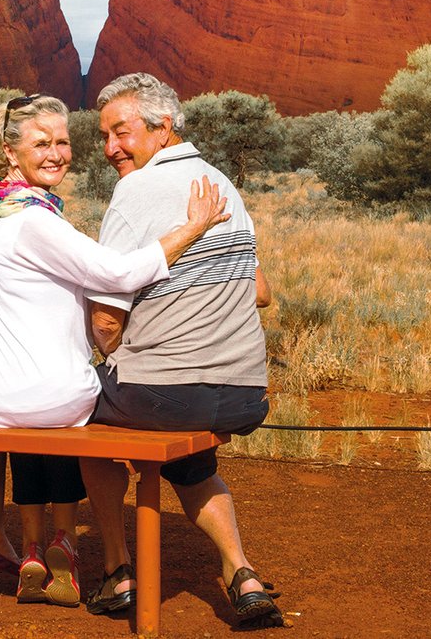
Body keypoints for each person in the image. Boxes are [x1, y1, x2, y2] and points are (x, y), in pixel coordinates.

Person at [0, 93, 230, 608]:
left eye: (62, 141)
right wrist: (193, 228)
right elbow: (118, 274)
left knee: (34, 416)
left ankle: (35, 543)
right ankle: (68, 541)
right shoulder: (36, 222)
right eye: (42, 143)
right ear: (11, 153)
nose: (57, 153)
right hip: (41, 399)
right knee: (75, 404)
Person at [79, 73, 283, 627]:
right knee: (192, 464)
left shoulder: (137, 190)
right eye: (104, 136)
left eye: (121, 133)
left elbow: (104, 314)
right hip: (244, 394)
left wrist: (116, 356)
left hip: (166, 393)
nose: (109, 149)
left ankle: (118, 570)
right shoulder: (220, 183)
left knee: (77, 413)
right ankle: (242, 573)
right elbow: (261, 292)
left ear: (163, 128)